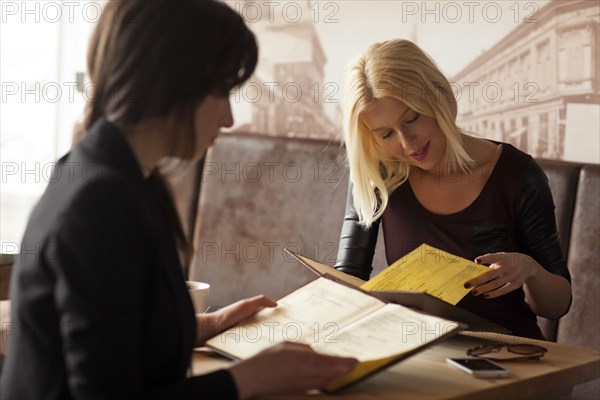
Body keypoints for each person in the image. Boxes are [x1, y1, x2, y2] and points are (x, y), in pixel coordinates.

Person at [0, 1, 357, 399]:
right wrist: (249, 379)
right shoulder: (98, 204)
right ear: (174, 83)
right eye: (221, 91)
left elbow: (114, 340)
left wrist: (204, 327)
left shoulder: (121, 176)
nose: (228, 118)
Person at [334, 39, 572, 340]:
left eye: (412, 118)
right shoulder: (379, 175)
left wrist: (530, 269)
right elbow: (348, 279)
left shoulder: (517, 174)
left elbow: (557, 305)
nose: (407, 143)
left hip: (510, 356)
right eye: (386, 134)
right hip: (422, 354)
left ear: (440, 95)